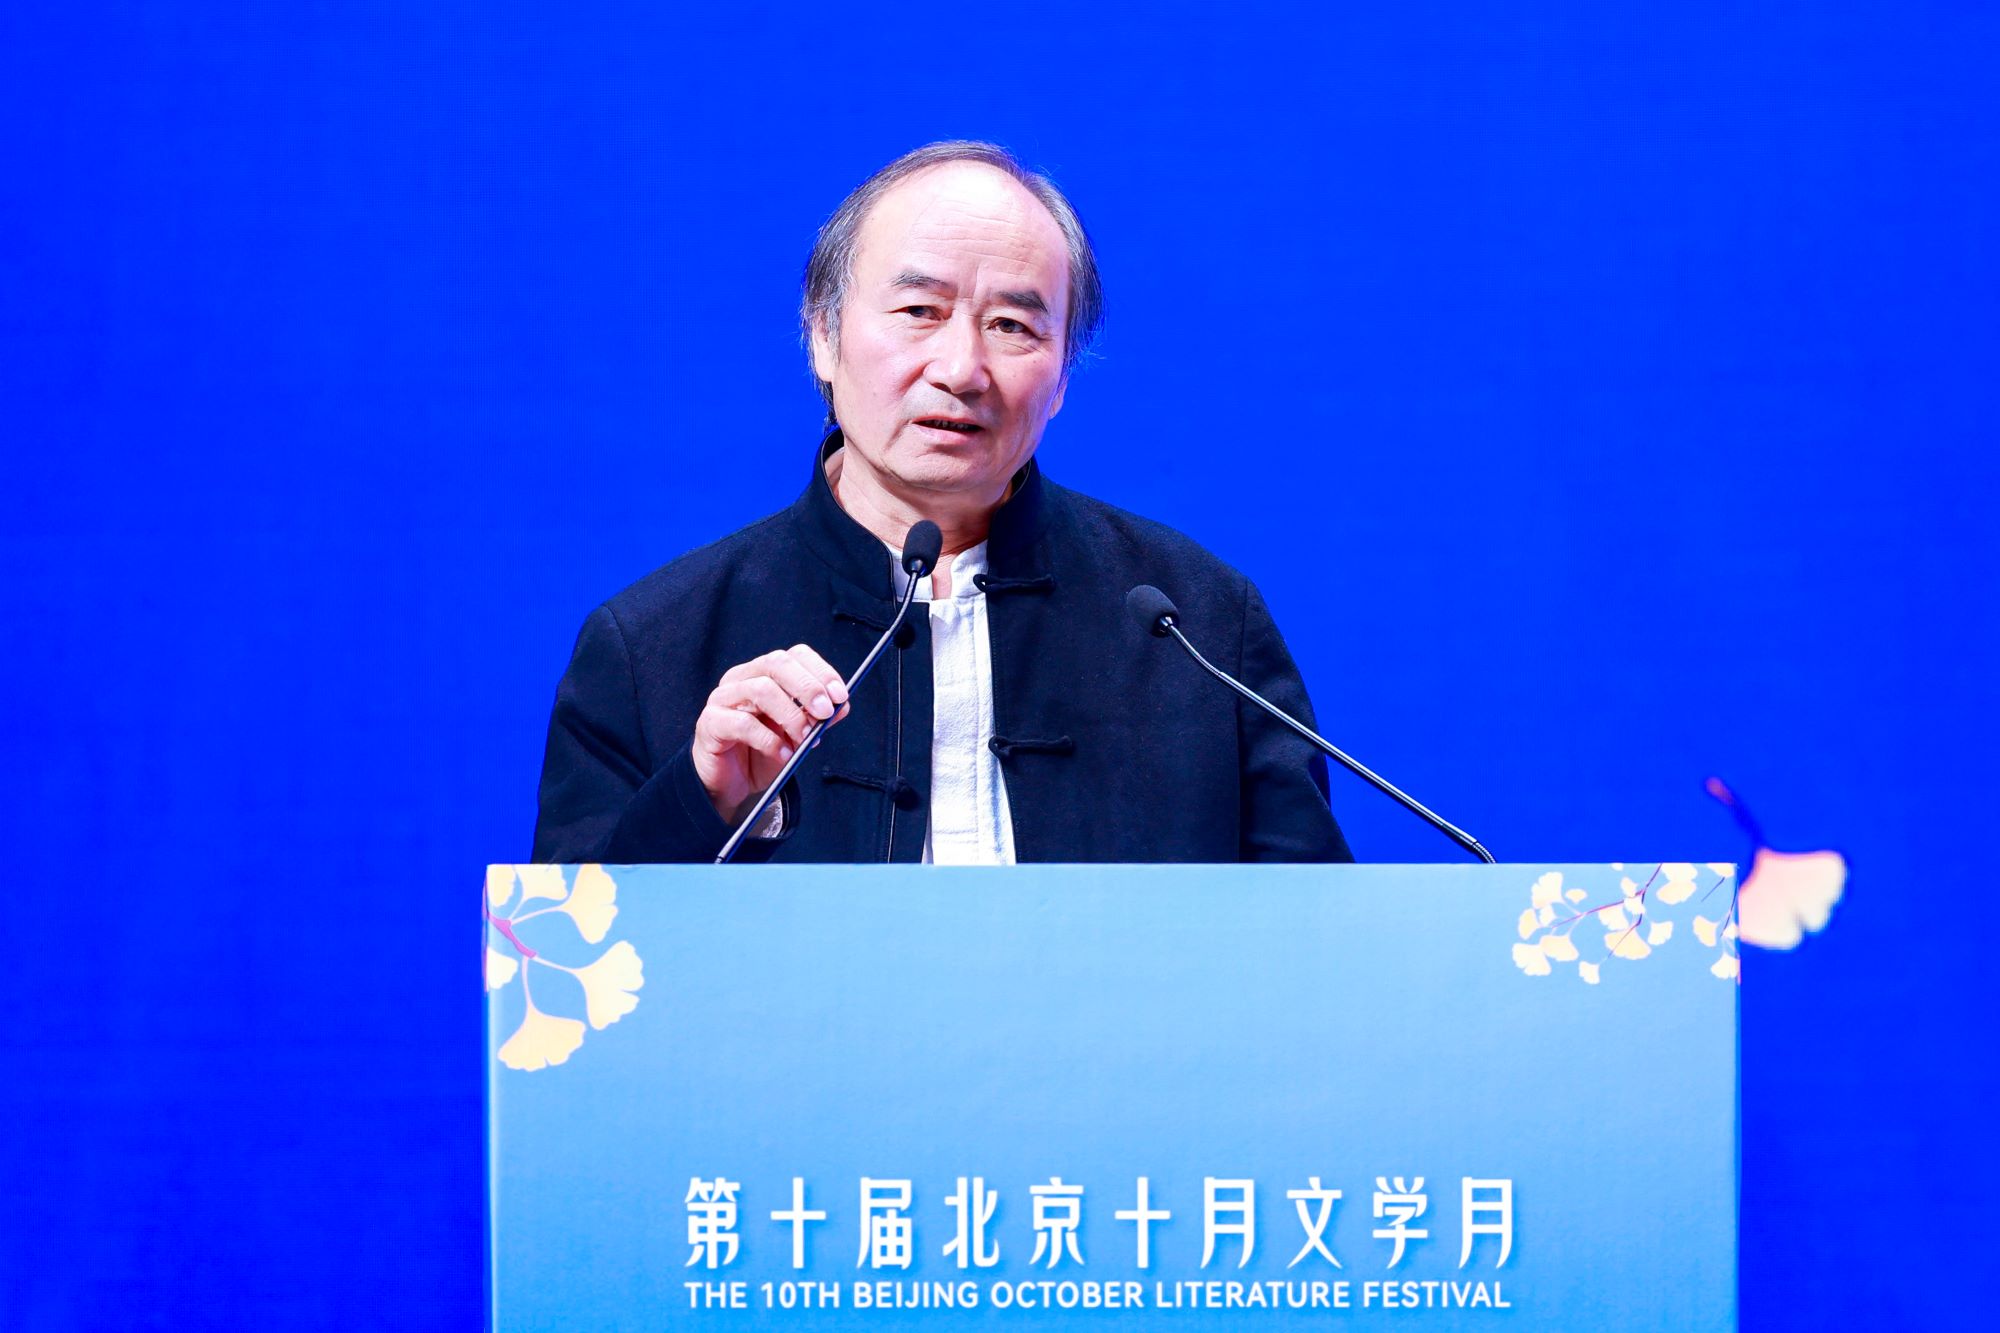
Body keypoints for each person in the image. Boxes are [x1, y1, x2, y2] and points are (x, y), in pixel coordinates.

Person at [533, 141, 1352, 865]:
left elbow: (1310, 949)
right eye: (919, 311)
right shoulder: (650, 648)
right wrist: (701, 802)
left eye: (1013, 326)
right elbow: (579, 960)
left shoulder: (1201, 627)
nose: (961, 368)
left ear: (1063, 376)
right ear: (822, 335)